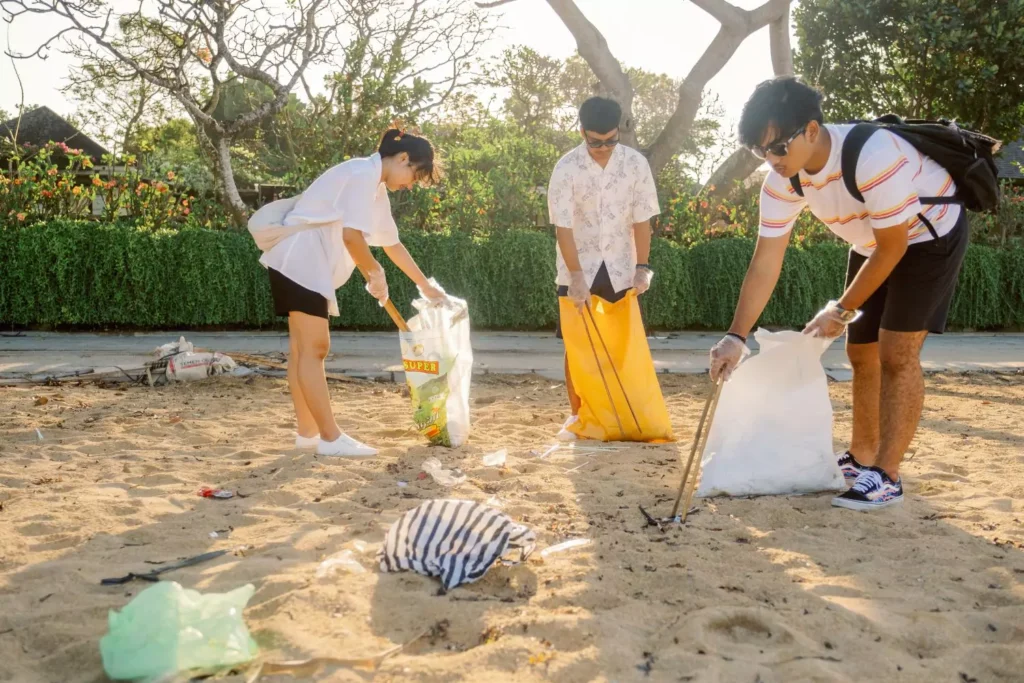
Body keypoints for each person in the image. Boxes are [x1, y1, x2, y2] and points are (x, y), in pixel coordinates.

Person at [709, 77, 969, 510]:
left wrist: (840, 308)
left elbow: (896, 246)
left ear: (811, 130)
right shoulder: (782, 181)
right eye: (760, 151)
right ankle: (861, 456)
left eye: (777, 147)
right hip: (872, 244)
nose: (770, 160)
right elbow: (766, 261)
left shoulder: (873, 154)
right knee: (860, 353)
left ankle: (886, 475)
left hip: (928, 235)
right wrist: (735, 337)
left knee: (896, 352)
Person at [259, 129, 448, 457]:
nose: (410, 184)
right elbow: (351, 237)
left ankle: (308, 434)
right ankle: (330, 438)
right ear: (403, 158)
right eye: (413, 176)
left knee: (303, 351)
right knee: (315, 348)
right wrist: (374, 274)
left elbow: (391, 243)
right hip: (301, 258)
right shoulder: (363, 174)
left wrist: (425, 285)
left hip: (302, 260)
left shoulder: (374, 187)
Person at [547, 96, 660, 440]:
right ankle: (577, 416)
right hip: (577, 264)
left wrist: (642, 266)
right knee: (578, 345)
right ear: (581, 132)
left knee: (619, 344)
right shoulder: (566, 168)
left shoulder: (636, 164)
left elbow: (643, 219)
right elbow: (562, 227)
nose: (603, 148)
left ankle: (620, 413)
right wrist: (576, 275)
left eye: (611, 140)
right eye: (595, 142)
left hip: (621, 266)